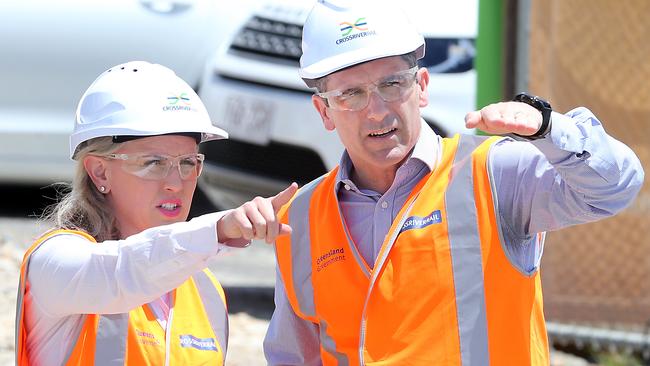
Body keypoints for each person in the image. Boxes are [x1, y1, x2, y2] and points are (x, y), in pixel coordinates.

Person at [263, 1, 645, 365]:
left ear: (422, 87)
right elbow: (293, 357)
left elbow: (616, 188)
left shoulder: (493, 174)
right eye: (351, 94)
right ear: (324, 111)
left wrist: (549, 129)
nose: (376, 110)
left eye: (392, 84)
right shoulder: (299, 217)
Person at [15, 61, 296, 365]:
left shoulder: (205, 290)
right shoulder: (57, 261)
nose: (176, 183)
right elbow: (123, 272)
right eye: (154, 163)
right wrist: (220, 229)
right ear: (100, 172)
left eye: (188, 163)